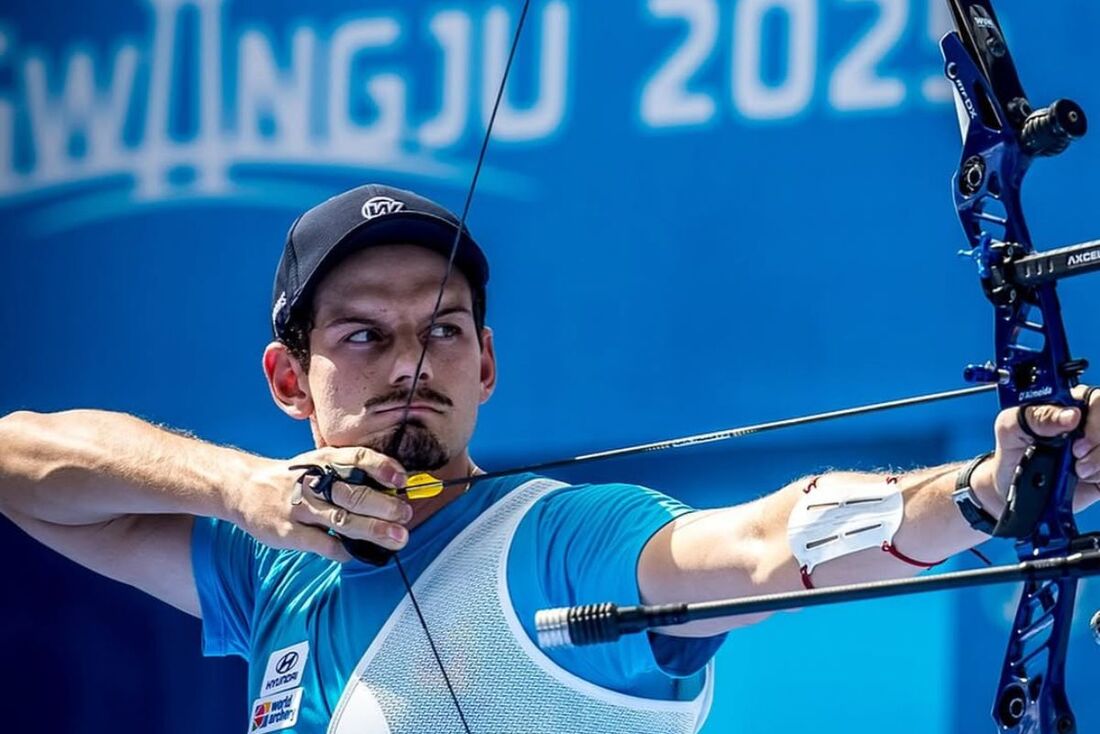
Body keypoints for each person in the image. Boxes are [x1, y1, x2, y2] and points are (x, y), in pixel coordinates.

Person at [1, 183, 1097, 734]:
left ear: (486, 360)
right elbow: (23, 462)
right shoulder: (269, 567)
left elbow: (764, 542)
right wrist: (242, 488)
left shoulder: (558, 540)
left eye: (442, 329)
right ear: (290, 382)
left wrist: (983, 492)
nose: (408, 362)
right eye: (361, 335)